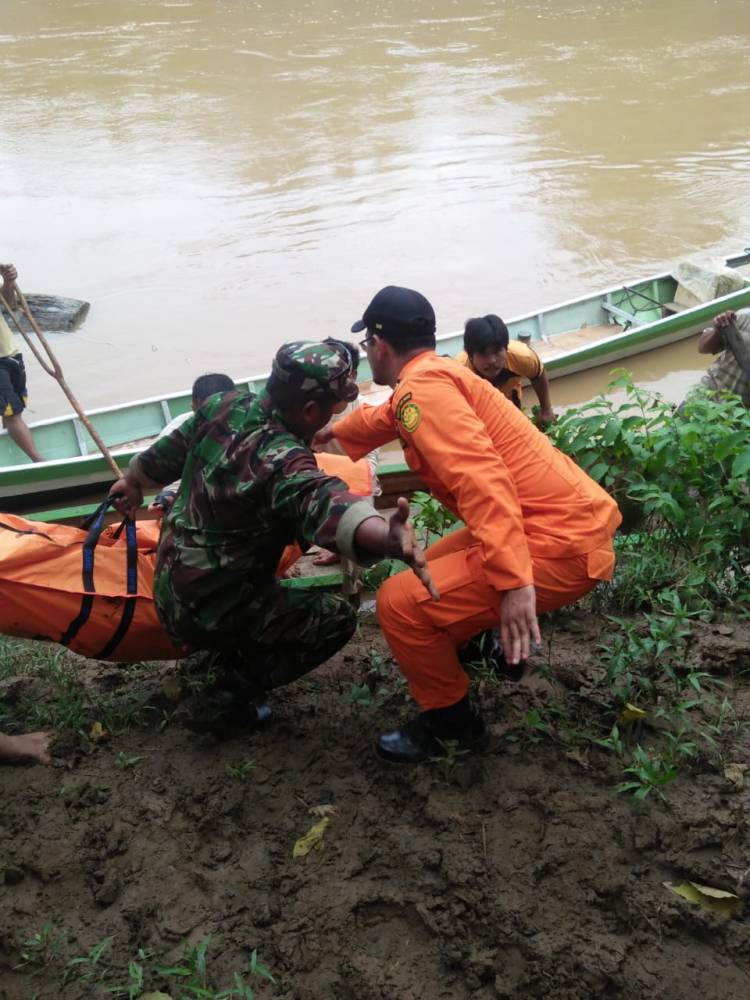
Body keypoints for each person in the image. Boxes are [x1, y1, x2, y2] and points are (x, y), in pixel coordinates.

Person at [316, 286, 622, 764]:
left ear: (378, 345)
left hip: (559, 542)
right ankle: (480, 647)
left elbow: (483, 481)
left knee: (398, 605)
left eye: (366, 345)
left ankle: (451, 724)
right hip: (554, 522)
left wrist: (514, 582)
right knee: (427, 570)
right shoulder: (432, 377)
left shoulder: (424, 391)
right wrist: (328, 432)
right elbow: (387, 418)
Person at [110, 340, 436, 733]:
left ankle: (218, 650)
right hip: (208, 606)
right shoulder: (285, 460)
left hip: (165, 584)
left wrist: (132, 481)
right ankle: (226, 696)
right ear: (310, 411)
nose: (332, 417)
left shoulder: (222, 405)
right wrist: (386, 537)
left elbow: (167, 453)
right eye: (332, 409)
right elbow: (324, 501)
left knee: (259, 584)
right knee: (334, 621)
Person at [311, 338, 380, 571]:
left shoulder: (362, 410)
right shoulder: (309, 408)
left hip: (357, 479)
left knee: (358, 531)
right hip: (318, 478)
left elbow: (370, 463)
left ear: (352, 375)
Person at [148, 372, 236, 516]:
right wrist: (167, 497)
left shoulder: (251, 423)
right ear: (194, 407)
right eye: (209, 409)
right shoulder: (178, 432)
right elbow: (176, 474)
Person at [457, 313, 556, 427]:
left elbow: (538, 375)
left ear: (506, 347)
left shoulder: (523, 357)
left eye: (497, 351)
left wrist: (546, 409)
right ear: (469, 354)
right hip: (478, 409)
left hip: (510, 398)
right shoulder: (459, 373)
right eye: (483, 354)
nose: (492, 360)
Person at [0, 263, 42, 462]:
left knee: (12, 409)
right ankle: (40, 464)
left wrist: (8, 282)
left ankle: (12, 458)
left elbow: (7, 304)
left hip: (11, 354)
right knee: (12, 414)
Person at [695, 309, 750, 407]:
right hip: (709, 391)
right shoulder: (744, 316)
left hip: (740, 410)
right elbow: (702, 348)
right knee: (674, 415)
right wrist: (717, 330)